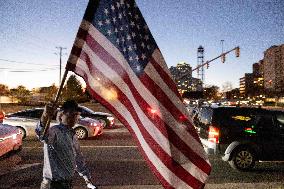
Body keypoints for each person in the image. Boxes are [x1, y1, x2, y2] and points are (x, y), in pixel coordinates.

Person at [35, 100, 98, 189]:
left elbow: (78, 158)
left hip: (67, 183)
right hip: (53, 184)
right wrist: (45, 115)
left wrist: (87, 178)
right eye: (71, 114)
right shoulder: (55, 131)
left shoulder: (72, 135)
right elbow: (42, 135)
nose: (74, 118)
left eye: (76, 115)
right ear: (61, 115)